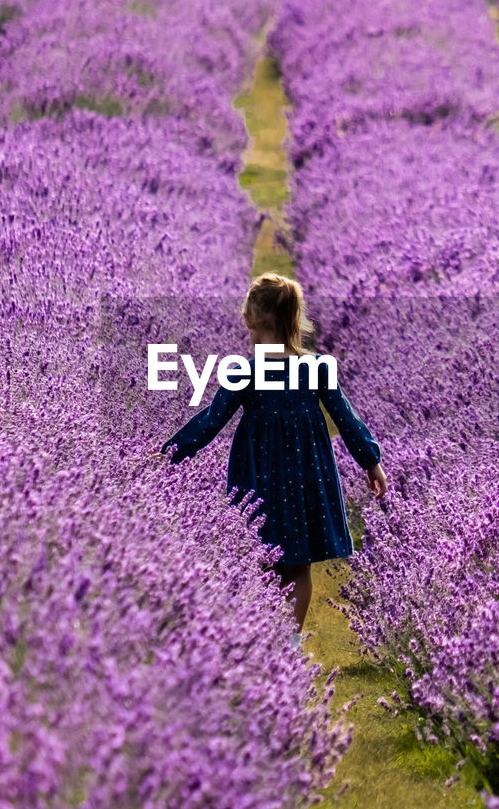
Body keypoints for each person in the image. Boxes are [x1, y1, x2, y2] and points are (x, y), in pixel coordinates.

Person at [162, 273, 387, 637]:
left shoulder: (246, 372)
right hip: (305, 480)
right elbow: (346, 419)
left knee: (263, 562)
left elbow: (209, 422)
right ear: (294, 321)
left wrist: (170, 453)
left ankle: (266, 639)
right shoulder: (316, 369)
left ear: (253, 322)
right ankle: (289, 641)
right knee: (298, 567)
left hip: (259, 481)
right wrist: (371, 461)